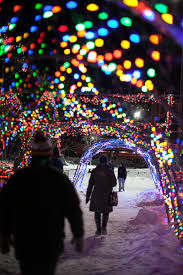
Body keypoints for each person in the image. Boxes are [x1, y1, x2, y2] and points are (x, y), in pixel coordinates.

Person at [0, 130, 84, 275]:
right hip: (50, 240)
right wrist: (78, 234)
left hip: (25, 240)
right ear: (50, 154)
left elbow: (5, 208)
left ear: (32, 154)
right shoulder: (59, 179)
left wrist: (4, 235)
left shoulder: (19, 178)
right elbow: (73, 209)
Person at [86, 155, 117, 236]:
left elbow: (90, 184)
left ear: (99, 161)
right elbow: (114, 183)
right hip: (107, 195)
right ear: (106, 161)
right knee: (105, 212)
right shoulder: (110, 171)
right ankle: (104, 227)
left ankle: (98, 230)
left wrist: (88, 195)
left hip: (97, 194)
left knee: (97, 212)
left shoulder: (95, 171)